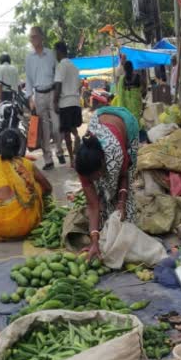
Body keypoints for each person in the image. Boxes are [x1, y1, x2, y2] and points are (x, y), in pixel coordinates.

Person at [74, 106, 139, 261]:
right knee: (103, 208)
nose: (95, 180)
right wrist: (94, 241)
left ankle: (120, 205)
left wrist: (122, 202)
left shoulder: (115, 154)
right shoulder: (83, 166)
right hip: (100, 118)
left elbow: (124, 175)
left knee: (127, 215)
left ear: (103, 163)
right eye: (91, 178)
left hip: (127, 124)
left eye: (96, 175)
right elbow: (93, 205)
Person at [0, 128, 52, 242]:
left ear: (0, 145)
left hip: (2, 227)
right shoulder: (27, 163)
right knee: (37, 186)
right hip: (28, 226)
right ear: (19, 147)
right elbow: (48, 188)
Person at [25, 25, 63, 170]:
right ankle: (48, 160)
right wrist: (30, 99)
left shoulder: (51, 54)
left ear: (41, 37)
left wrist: (59, 94)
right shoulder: (29, 58)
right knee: (44, 130)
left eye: (34, 36)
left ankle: (59, 150)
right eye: (31, 37)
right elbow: (28, 79)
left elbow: (58, 72)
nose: (32, 39)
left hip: (52, 93)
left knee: (57, 126)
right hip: (38, 95)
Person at [53, 42, 81, 168]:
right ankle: (77, 136)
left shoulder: (61, 66)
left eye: (56, 52)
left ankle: (72, 160)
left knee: (66, 132)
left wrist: (55, 101)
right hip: (75, 102)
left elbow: (58, 85)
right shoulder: (74, 67)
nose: (55, 55)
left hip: (65, 103)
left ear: (59, 51)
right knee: (73, 126)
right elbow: (79, 86)